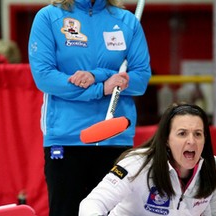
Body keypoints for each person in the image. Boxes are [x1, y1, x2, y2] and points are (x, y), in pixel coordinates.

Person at [28, 0, 151, 215]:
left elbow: (141, 78)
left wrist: (97, 75)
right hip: (67, 138)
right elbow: (45, 77)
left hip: (114, 138)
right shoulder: (48, 17)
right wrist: (101, 88)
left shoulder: (126, 21)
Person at [79, 102, 216, 216]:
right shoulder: (137, 164)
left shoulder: (214, 168)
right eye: (182, 133)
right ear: (166, 139)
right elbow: (91, 204)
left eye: (198, 134)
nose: (191, 141)